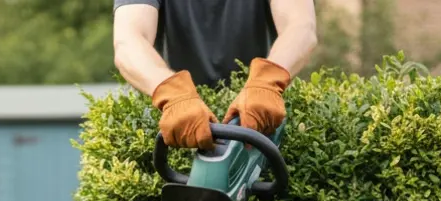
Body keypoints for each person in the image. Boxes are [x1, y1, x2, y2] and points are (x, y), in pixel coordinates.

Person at [112, 0, 318, 150]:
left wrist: (267, 81)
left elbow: (300, 26)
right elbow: (129, 40)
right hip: (175, 127)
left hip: (261, 121)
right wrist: (171, 93)